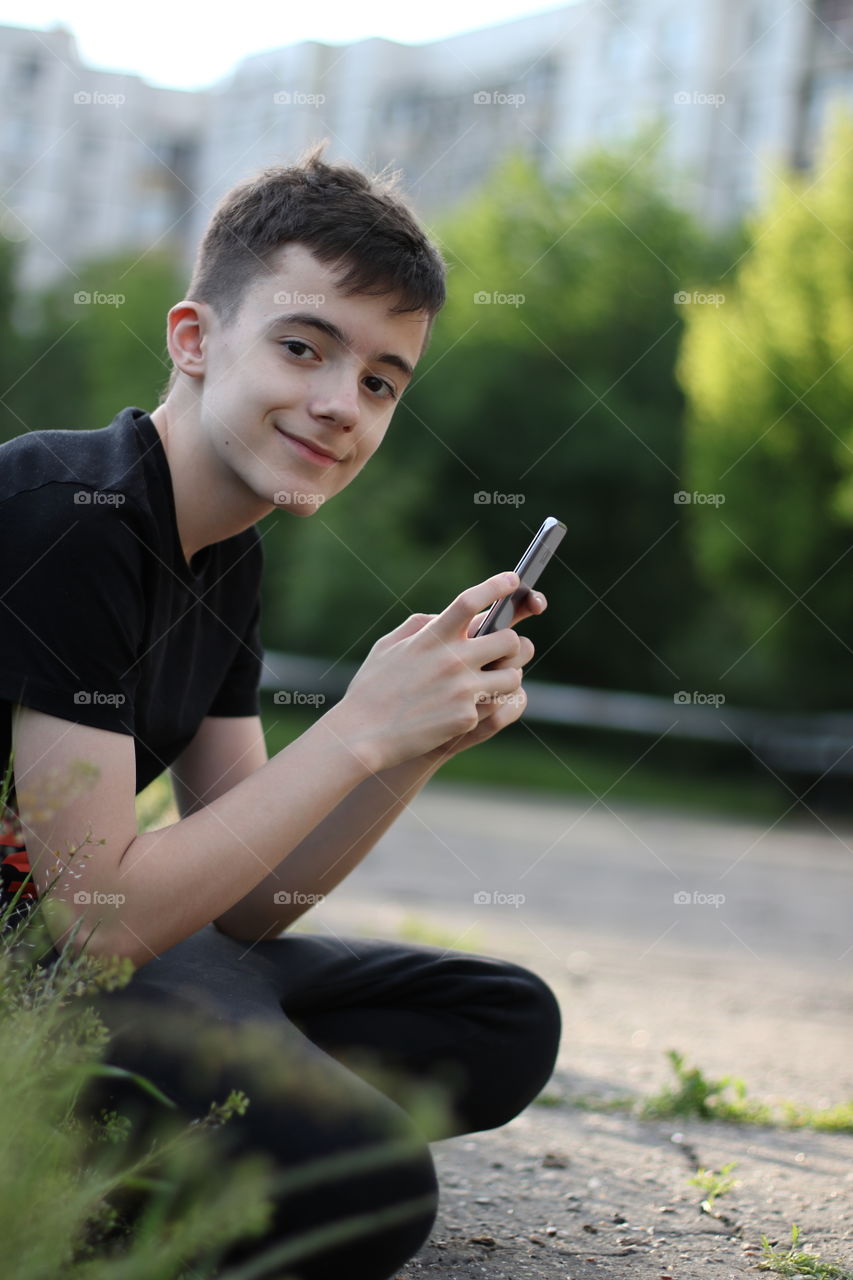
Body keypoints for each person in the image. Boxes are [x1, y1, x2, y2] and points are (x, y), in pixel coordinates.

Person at [0, 142, 562, 1279]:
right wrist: (353, 727)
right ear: (195, 338)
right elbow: (101, 913)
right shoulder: (72, 515)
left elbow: (257, 898)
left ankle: (196, 1119)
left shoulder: (224, 555)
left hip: (90, 963)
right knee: (363, 1188)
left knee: (497, 1019)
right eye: (303, 347)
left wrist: (406, 748)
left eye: (378, 381)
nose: (337, 403)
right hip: (31, 983)